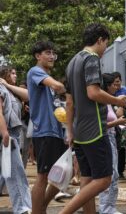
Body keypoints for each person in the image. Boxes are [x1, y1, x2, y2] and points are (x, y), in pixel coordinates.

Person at [62, 23, 126, 214]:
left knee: (87, 179)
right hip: (95, 129)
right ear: (99, 40)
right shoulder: (91, 59)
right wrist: (118, 101)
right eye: (106, 44)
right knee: (105, 178)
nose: (105, 49)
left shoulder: (72, 62)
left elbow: (69, 102)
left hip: (79, 131)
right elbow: (93, 92)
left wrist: (70, 131)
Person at [27, 41, 67, 214]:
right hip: (44, 131)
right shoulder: (35, 72)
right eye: (48, 53)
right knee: (42, 176)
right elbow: (58, 87)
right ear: (38, 56)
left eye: (53, 53)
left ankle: (41, 207)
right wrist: (70, 88)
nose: (52, 57)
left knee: (61, 176)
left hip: (56, 131)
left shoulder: (46, 78)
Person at [0, 66, 32, 214]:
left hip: (14, 133)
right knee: (16, 173)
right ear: (4, 75)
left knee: (5, 172)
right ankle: (22, 208)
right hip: (7, 134)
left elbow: (28, 95)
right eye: (11, 73)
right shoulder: (1, 89)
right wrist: (5, 133)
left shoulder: (9, 89)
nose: (14, 75)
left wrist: (7, 85)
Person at [98, 73, 126, 214]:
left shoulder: (109, 100)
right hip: (105, 138)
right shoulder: (102, 100)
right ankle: (106, 207)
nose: (117, 87)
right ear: (107, 86)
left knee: (113, 174)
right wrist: (118, 122)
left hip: (111, 138)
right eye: (115, 84)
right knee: (109, 174)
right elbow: (100, 125)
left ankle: (109, 206)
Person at [112, 71, 126, 179]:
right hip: (113, 120)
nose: (116, 85)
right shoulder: (110, 92)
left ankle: (121, 170)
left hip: (124, 120)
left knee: (121, 146)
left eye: (118, 82)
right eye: (114, 83)